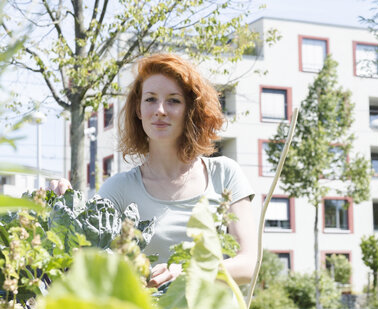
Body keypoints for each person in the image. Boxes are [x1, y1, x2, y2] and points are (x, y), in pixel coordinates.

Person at [50, 53, 257, 287]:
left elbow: (248, 264)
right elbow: (85, 254)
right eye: (150, 99)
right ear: (138, 110)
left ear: (191, 109)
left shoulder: (225, 174)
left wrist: (187, 273)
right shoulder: (119, 189)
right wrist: (62, 204)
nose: (160, 109)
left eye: (173, 100)